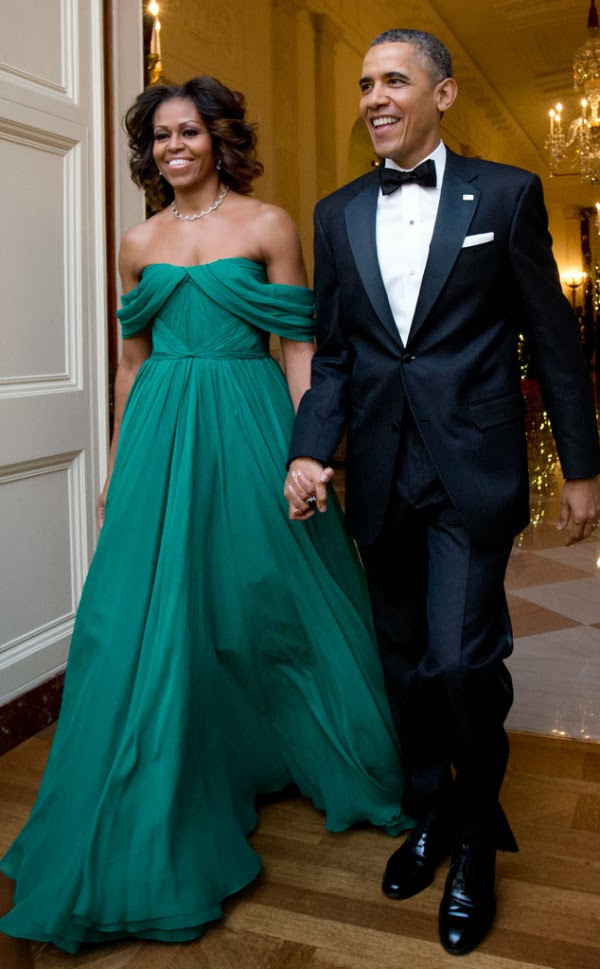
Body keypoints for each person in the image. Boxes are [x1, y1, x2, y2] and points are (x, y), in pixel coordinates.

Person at [0, 76, 411, 954]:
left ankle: (298, 748)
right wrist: (119, 465)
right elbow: (129, 365)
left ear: (218, 139)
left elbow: (300, 346)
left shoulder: (268, 226)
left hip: (251, 420)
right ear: (148, 152)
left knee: (270, 593)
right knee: (149, 617)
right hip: (158, 439)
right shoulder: (137, 241)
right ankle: (154, 782)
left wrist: (311, 449)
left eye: (188, 132)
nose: (173, 147)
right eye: (159, 137)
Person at [285, 29, 600, 957]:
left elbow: (551, 336)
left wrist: (581, 466)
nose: (374, 97)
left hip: (473, 465)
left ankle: (474, 839)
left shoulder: (504, 194)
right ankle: (429, 810)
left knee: (463, 662)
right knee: (406, 662)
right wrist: (311, 451)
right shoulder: (337, 212)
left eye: (394, 80)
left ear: (445, 93)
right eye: (365, 83)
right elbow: (335, 354)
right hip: (377, 471)